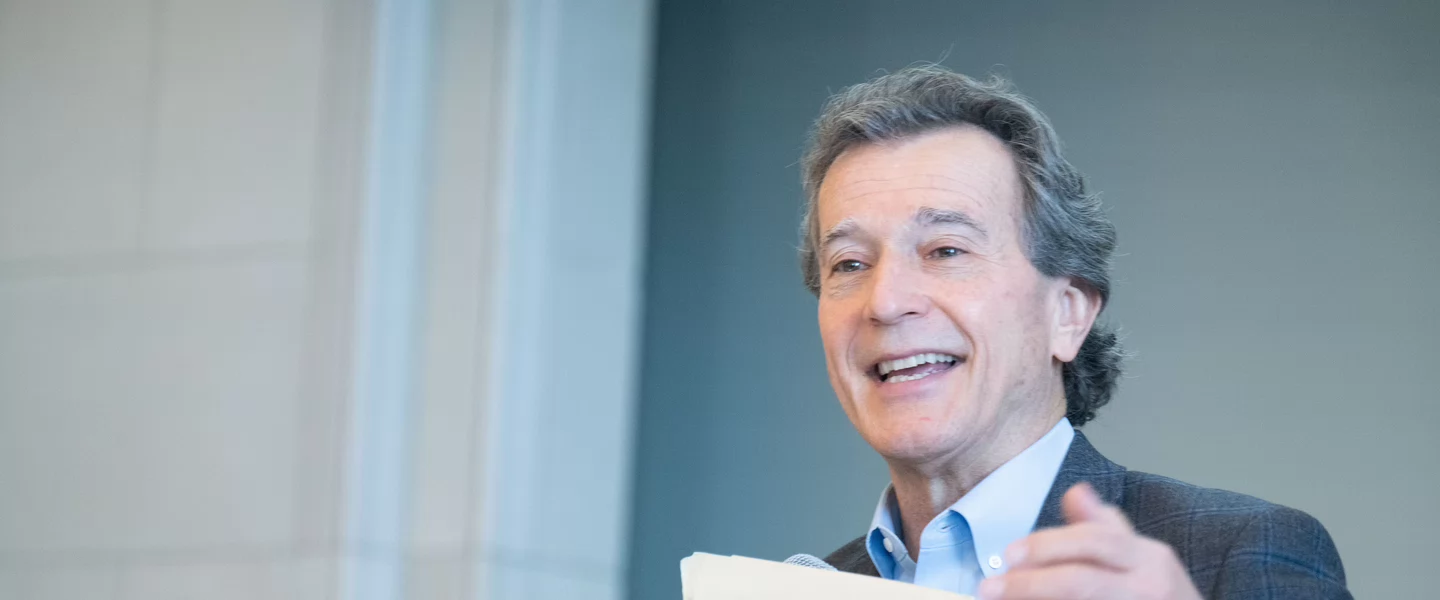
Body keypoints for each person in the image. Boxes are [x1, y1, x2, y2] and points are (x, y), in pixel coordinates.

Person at [798, 65, 1350, 599]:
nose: (887, 302)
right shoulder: (802, 587)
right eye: (848, 264)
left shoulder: (1238, 554)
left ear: (1068, 314)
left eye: (946, 250)